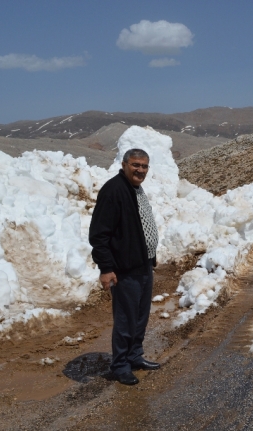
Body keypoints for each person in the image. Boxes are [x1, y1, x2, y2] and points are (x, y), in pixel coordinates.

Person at [89, 148, 161, 385]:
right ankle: (120, 364)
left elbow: (140, 226)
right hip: (125, 269)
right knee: (125, 320)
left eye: (144, 166)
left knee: (140, 317)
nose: (140, 170)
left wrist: (150, 254)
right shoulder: (114, 190)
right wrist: (106, 268)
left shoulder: (135, 189)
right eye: (136, 165)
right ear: (124, 164)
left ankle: (134, 355)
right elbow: (99, 235)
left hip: (142, 265)